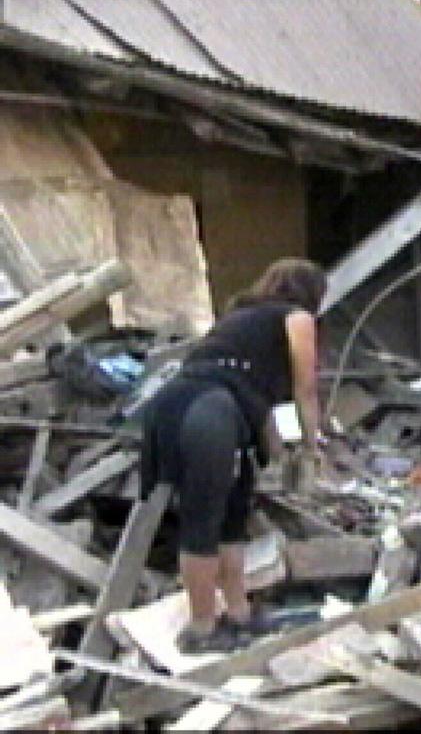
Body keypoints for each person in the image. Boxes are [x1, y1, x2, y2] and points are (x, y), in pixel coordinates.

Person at [140, 258, 325, 655]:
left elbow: (254, 396)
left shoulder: (239, 319)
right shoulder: (297, 318)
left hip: (185, 405)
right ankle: (203, 627)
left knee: (233, 513)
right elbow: (305, 390)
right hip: (210, 409)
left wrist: (276, 448)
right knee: (203, 518)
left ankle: (239, 612)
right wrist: (312, 445)